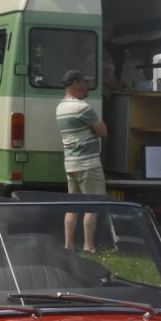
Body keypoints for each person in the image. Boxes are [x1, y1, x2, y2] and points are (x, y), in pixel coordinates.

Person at [55, 68, 108, 253]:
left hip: (71, 163)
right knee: (92, 205)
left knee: (72, 206)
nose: (86, 86)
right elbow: (103, 131)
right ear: (76, 83)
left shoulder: (60, 107)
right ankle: (88, 246)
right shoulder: (81, 107)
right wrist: (93, 130)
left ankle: (68, 245)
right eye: (84, 82)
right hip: (88, 164)